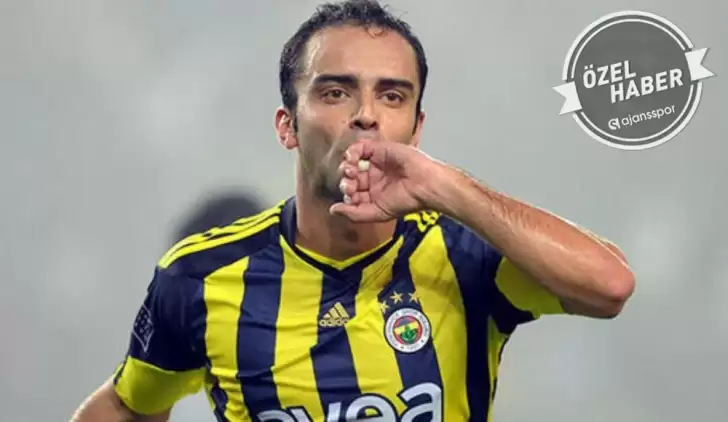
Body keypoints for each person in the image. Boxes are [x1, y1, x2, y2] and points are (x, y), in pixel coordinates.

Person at [71, 1, 635, 421]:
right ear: (288, 126)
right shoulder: (201, 276)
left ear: (416, 127)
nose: (367, 115)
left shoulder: (462, 253)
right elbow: (126, 408)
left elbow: (610, 286)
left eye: (392, 96)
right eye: (336, 92)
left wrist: (447, 186)